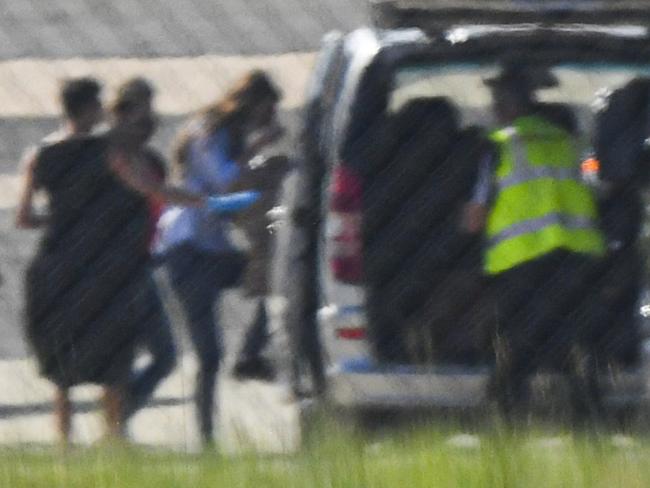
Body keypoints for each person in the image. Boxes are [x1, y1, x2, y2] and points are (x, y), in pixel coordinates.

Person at [463, 65, 607, 422]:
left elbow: (475, 216)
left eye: (496, 101)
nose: (493, 109)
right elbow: (597, 186)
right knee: (578, 341)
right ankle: (587, 416)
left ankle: (509, 418)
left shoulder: (496, 146)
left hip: (520, 262)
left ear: (507, 106)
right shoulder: (575, 143)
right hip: (576, 257)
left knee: (515, 344)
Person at [154, 70, 283, 445]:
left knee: (269, 279)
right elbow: (226, 182)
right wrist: (259, 148)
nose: (269, 117)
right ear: (254, 102)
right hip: (188, 249)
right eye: (267, 109)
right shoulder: (209, 131)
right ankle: (206, 438)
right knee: (209, 355)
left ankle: (250, 355)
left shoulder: (232, 133)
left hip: (213, 246)